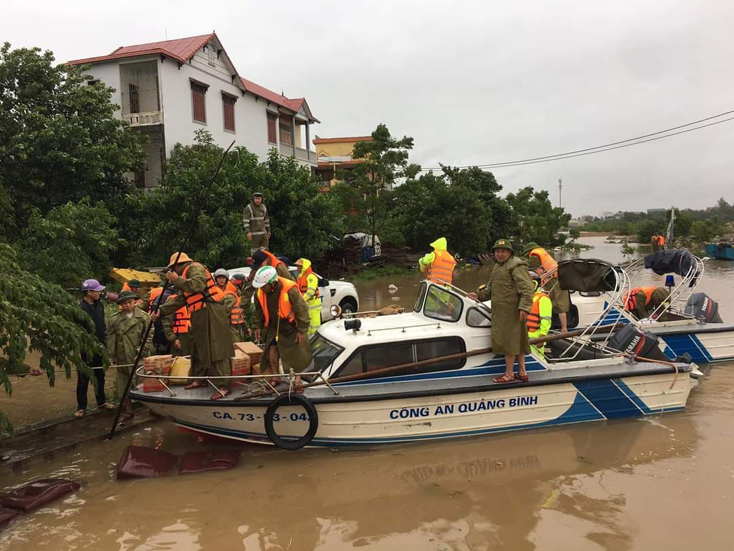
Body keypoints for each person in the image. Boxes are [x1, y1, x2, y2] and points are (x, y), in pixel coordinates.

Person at [152, 252, 233, 399]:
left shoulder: (194, 268)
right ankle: (199, 379)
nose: (171, 272)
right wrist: (161, 310)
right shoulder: (184, 276)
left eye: (172, 269)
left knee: (217, 348)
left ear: (178, 265)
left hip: (211, 311)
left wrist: (178, 280)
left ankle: (224, 385)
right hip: (198, 314)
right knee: (197, 346)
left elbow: (198, 285)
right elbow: (182, 299)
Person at [468, 239, 534, 383]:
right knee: (519, 341)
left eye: (503, 251)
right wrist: (478, 295)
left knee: (509, 342)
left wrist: (524, 308)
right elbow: (490, 289)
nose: (500, 254)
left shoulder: (516, 266)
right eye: (497, 251)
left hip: (512, 311)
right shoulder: (497, 267)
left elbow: (528, 289)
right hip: (501, 312)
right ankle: (522, 372)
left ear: (510, 253)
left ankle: (509, 374)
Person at [252, 266, 312, 386]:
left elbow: (301, 309)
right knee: (272, 351)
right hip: (273, 326)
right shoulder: (260, 292)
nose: (262, 289)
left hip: (289, 325)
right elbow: (258, 311)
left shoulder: (290, 289)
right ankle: (276, 377)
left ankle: (297, 379)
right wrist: (257, 326)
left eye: (264, 286)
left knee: (295, 352)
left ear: (273, 283)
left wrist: (301, 330)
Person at [106, 290, 153, 422]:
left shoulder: (143, 317)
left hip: (139, 356)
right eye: (124, 303)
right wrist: (111, 357)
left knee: (144, 382)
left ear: (135, 302)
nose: (127, 305)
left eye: (129, 302)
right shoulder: (115, 319)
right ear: (120, 305)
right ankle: (128, 411)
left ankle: (152, 408)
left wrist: (142, 349)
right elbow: (110, 338)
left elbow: (149, 334)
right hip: (122, 356)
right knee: (124, 385)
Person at [75, 279, 115, 418]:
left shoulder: (100, 305)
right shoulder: (79, 308)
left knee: (100, 375)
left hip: (100, 346)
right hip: (85, 348)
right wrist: (78, 350)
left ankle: (101, 401)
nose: (100, 293)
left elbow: (102, 325)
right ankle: (81, 407)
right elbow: (76, 331)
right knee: (83, 378)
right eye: (97, 290)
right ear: (89, 292)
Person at [521, 242, 571, 333]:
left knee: (559, 305)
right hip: (557, 278)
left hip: (554, 280)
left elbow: (528, 270)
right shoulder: (542, 252)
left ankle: (564, 329)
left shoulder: (534, 256)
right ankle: (555, 327)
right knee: (554, 302)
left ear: (528, 252)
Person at [214, 268, 248, 344]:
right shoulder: (227, 294)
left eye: (223, 278)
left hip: (236, 326)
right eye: (219, 278)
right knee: (236, 348)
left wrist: (246, 327)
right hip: (228, 326)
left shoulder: (232, 292)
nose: (221, 280)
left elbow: (239, 312)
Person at [527, 273, 553, 358]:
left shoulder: (543, 299)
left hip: (535, 338)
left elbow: (546, 319)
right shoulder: (524, 298)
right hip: (524, 337)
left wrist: (542, 336)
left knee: (538, 359)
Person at [295, 258, 322, 336]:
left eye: (299, 266)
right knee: (308, 327)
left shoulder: (311, 277)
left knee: (315, 327)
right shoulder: (300, 277)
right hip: (306, 305)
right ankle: (310, 344)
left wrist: (302, 300)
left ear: (304, 267)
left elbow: (311, 291)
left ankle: (316, 345)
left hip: (313, 305)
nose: (297, 268)